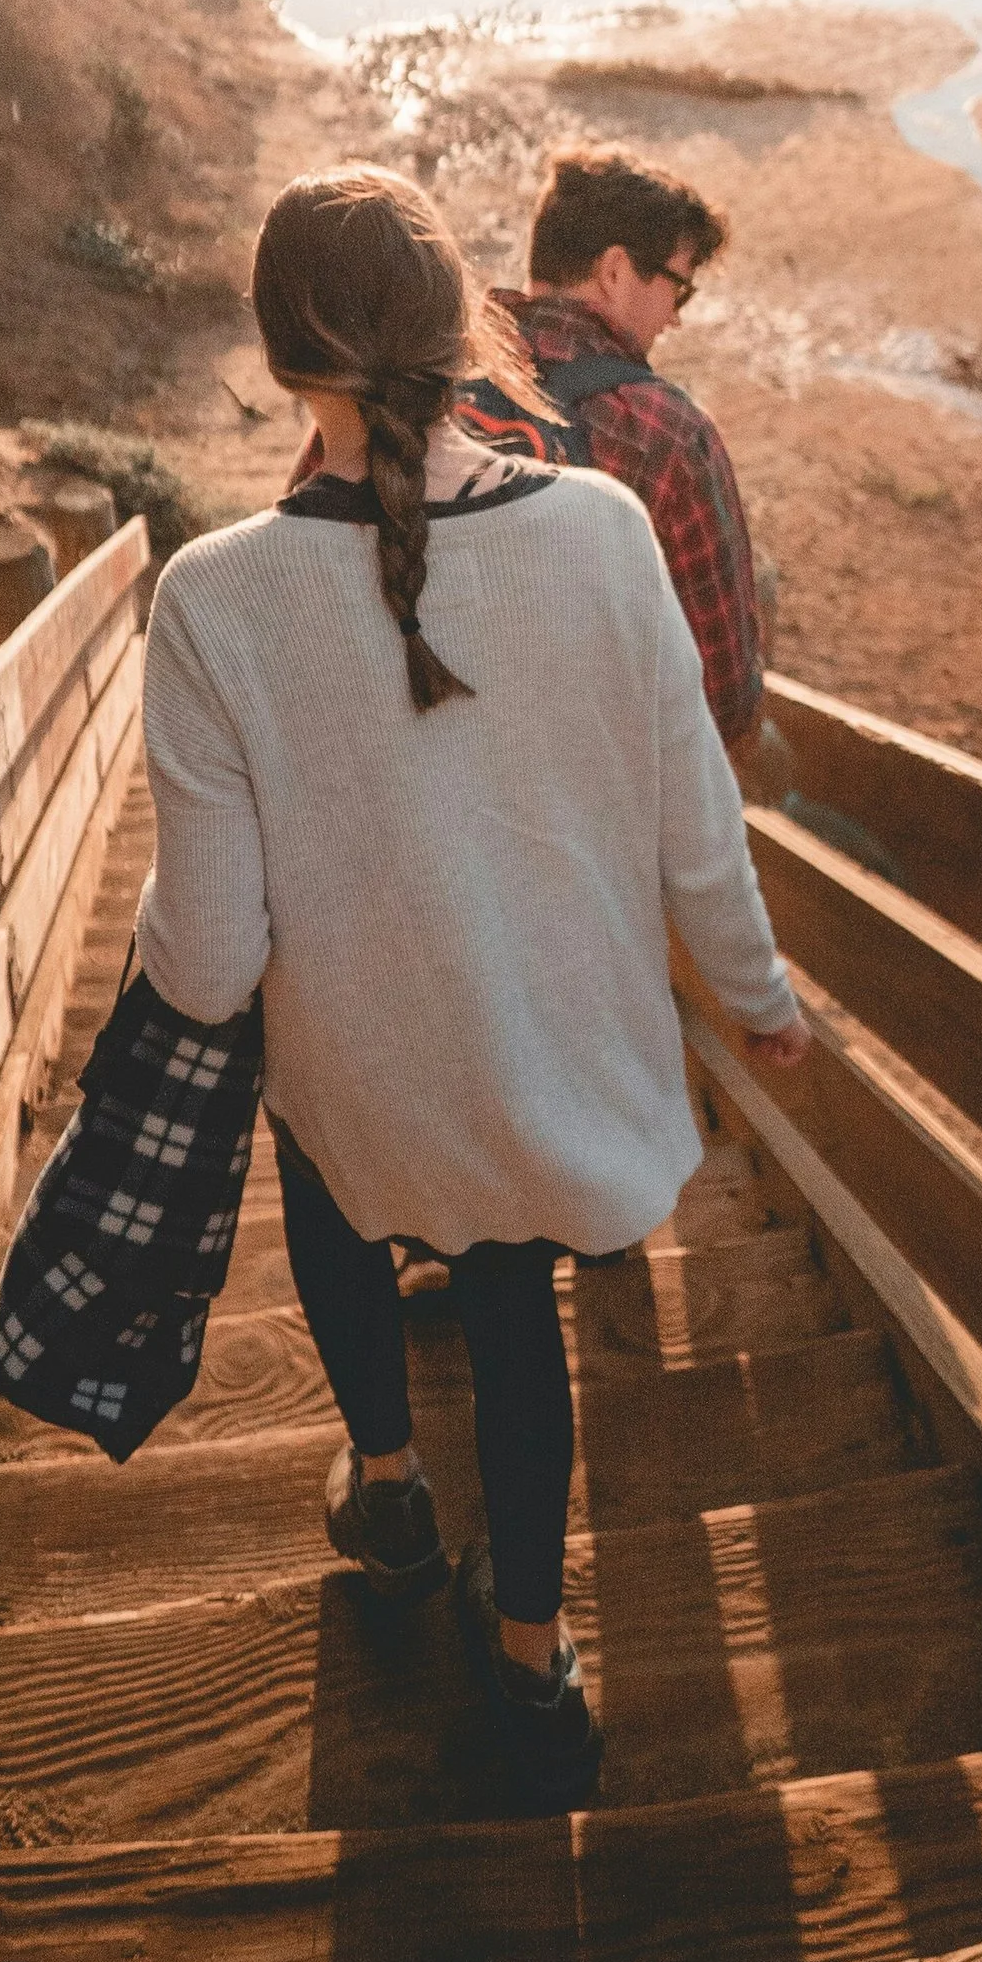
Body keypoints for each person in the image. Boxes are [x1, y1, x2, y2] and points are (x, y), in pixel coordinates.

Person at [135, 164, 810, 1813]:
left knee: (326, 1156)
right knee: (517, 1313)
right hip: (541, 1069)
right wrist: (760, 1001)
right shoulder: (600, 530)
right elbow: (695, 829)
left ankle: (385, 1487)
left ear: (287, 361)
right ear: (469, 329)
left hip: (362, 1086)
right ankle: (531, 1662)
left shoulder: (210, 600)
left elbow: (211, 963)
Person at [481, 146, 766, 754]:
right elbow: (722, 696)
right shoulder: (667, 435)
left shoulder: (412, 380)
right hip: (576, 805)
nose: (675, 319)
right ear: (614, 271)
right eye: (678, 288)